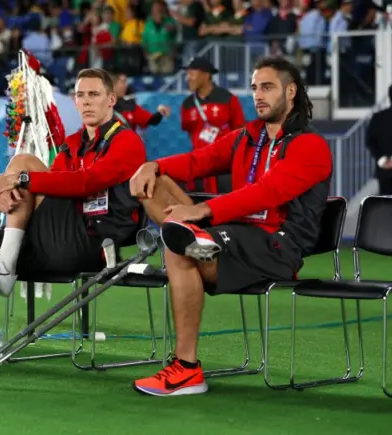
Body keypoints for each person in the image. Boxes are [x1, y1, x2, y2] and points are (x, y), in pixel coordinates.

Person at [128, 57, 333, 397]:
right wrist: (152, 164)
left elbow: (266, 193)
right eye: (254, 88)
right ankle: (191, 241)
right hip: (236, 236)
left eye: (267, 87)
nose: (258, 95)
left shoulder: (310, 145)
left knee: (179, 248)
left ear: (291, 91)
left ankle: (187, 369)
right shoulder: (246, 137)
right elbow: (198, 160)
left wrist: (203, 211)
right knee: (157, 183)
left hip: (278, 247)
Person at [0, 68, 147, 297]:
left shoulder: (127, 141)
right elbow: (53, 185)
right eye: (81, 95)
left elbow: (87, 183)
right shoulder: (71, 144)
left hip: (93, 243)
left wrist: (20, 180)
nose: (87, 102)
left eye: (94, 94)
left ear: (111, 99)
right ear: (75, 102)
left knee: (24, 162)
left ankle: (4, 265)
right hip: (52, 237)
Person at [180, 57, 246, 194]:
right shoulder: (187, 104)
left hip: (224, 166)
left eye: (192, 73)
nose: (188, 78)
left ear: (206, 75)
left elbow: (240, 130)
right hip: (199, 167)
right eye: (187, 74)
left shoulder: (228, 99)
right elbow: (191, 132)